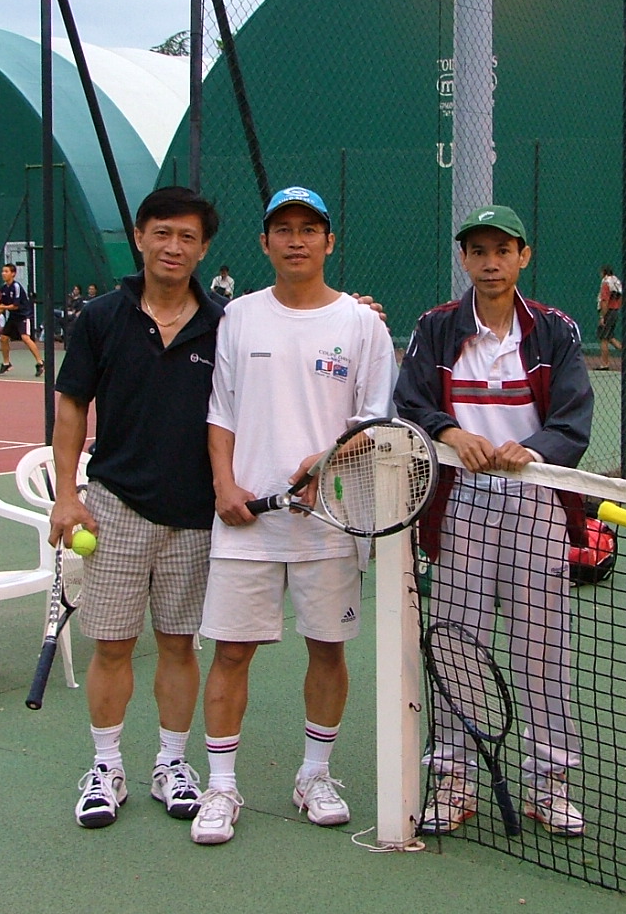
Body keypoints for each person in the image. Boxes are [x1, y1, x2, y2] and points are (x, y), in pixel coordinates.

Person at [191, 186, 394, 847]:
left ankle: (315, 776)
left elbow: (375, 420)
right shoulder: (238, 318)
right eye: (285, 229)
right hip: (245, 521)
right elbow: (219, 412)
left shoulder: (364, 326)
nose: (298, 239)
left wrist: (325, 461)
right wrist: (225, 485)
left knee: (327, 650)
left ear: (330, 242)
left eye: (311, 229)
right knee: (231, 653)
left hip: (328, 522)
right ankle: (221, 787)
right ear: (265, 243)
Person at [393, 204, 594, 838]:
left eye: (501, 250)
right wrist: (451, 432)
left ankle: (550, 782)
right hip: (462, 509)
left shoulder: (555, 331)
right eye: (477, 250)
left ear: (522, 256)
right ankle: (453, 777)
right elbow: (410, 403)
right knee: (457, 645)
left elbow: (573, 420)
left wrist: (530, 453)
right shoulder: (436, 328)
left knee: (544, 650)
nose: (489, 262)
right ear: (464, 258)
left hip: (536, 506)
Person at [50, 186, 226, 830]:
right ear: (140, 238)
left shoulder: (223, 322)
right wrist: (67, 496)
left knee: (180, 646)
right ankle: (105, 767)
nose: (173, 247)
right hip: (115, 507)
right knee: (113, 646)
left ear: (203, 248)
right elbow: (72, 406)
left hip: (195, 514)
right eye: (162, 233)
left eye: (187, 237)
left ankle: (172, 764)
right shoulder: (100, 317)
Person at [0, 263, 45, 376]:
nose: (3, 273)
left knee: (25, 338)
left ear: (13, 274)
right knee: (4, 338)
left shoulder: (16, 287)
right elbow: (3, 303)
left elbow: (15, 306)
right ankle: (6, 363)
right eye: (3, 271)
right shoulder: (3, 288)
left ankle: (40, 363)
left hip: (24, 316)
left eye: (6, 271)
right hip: (13, 317)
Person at [595, 265, 623, 370]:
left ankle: (605, 364)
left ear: (603, 272)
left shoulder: (606, 283)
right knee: (609, 336)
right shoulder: (616, 281)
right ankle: (625, 352)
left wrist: (603, 316)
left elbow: (604, 300)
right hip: (615, 310)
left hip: (608, 311)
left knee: (603, 339)